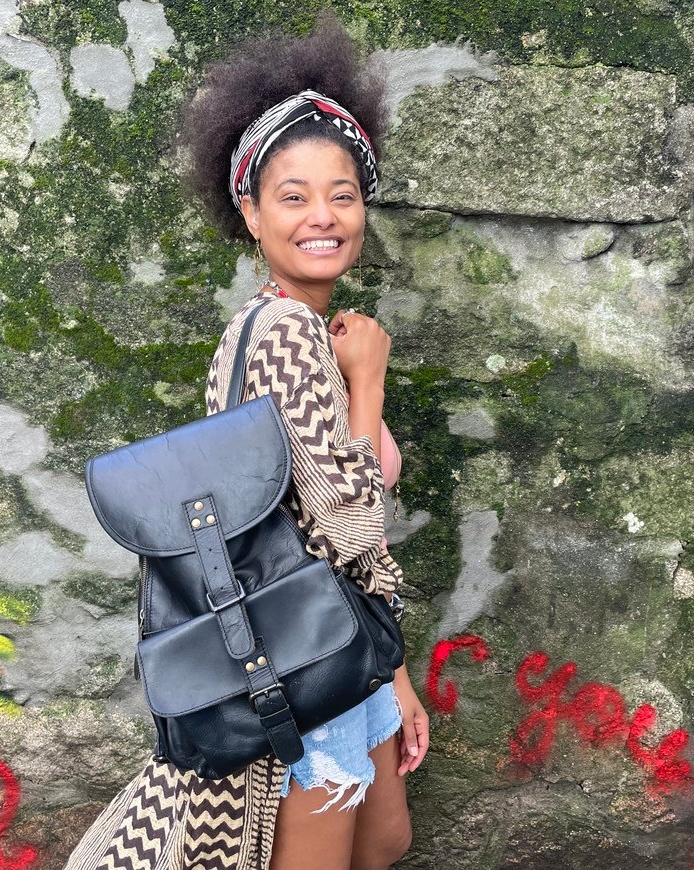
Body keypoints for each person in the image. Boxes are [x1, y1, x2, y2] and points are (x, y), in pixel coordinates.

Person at [64, 16, 428, 870]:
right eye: (293, 196)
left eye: (343, 193)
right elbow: (347, 517)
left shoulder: (297, 327)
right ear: (252, 212)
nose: (324, 216)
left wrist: (395, 672)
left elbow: (321, 517)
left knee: (389, 841)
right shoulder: (288, 336)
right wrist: (369, 377)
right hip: (306, 658)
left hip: (345, 641)